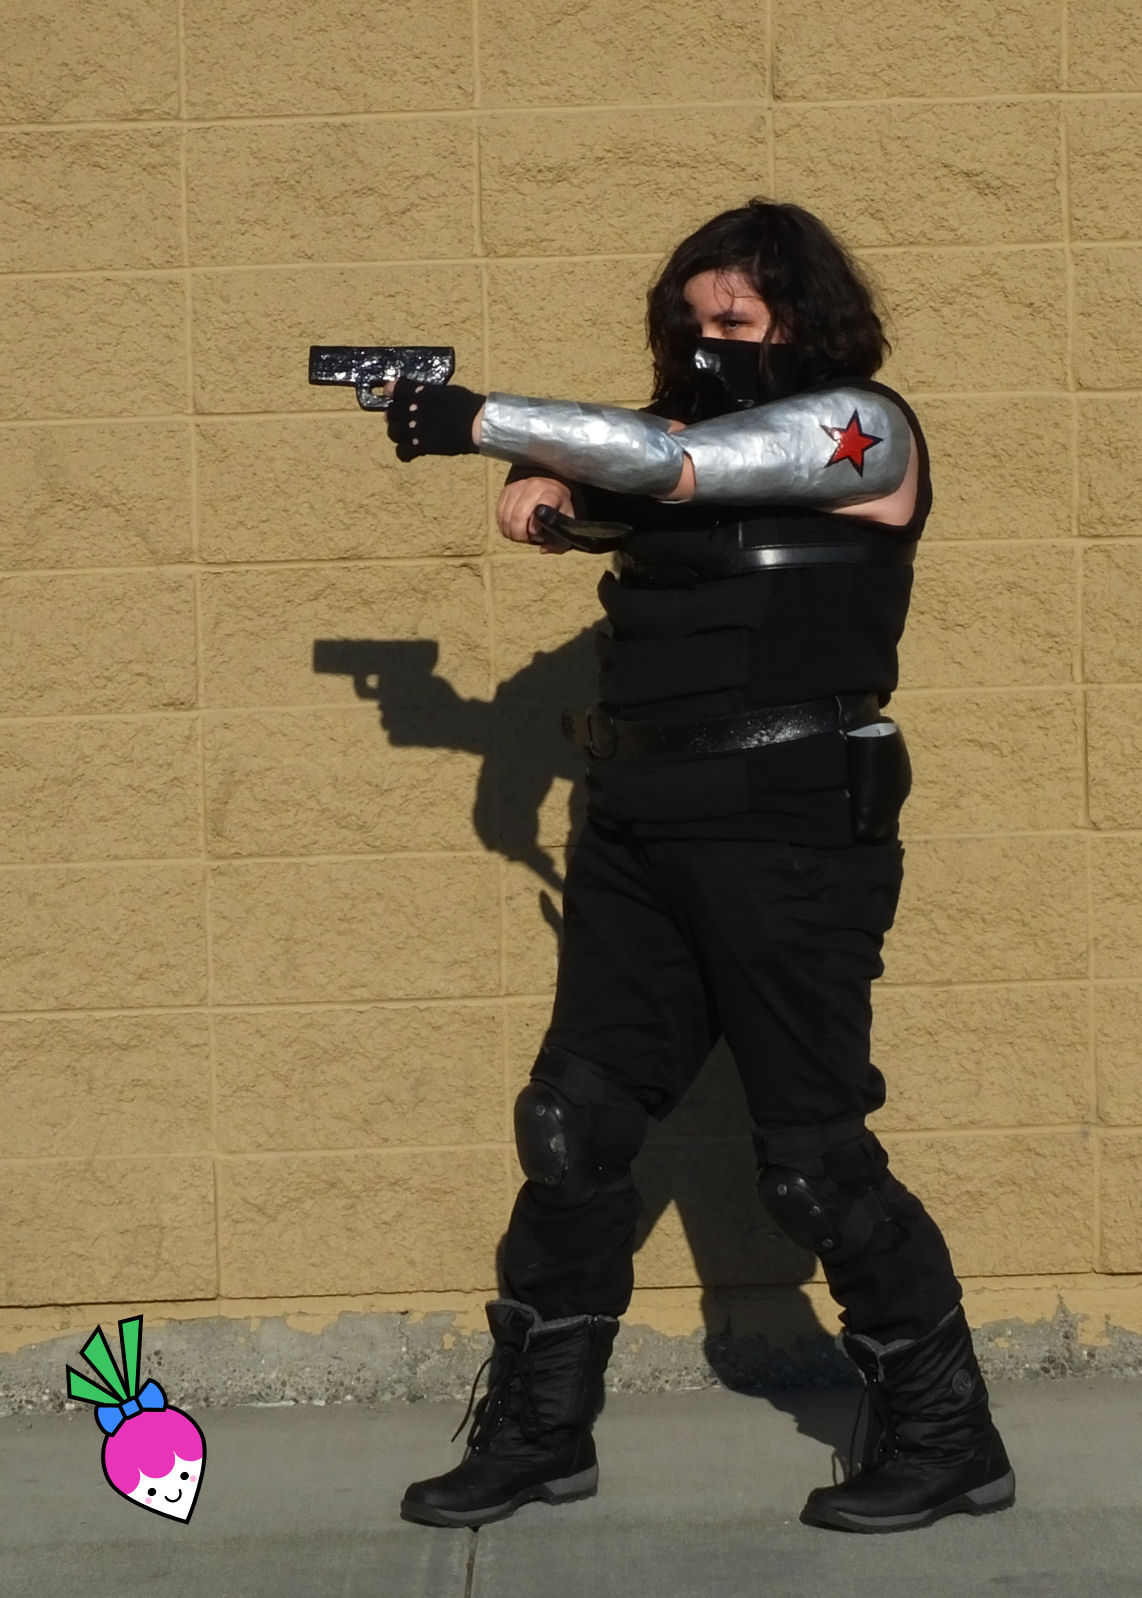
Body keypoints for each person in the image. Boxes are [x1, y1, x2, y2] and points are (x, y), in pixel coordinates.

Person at [380, 199, 1015, 1535]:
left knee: (813, 1160)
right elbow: (632, 469)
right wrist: (554, 487)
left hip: (789, 830)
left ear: (805, 320)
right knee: (572, 1128)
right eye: (692, 321)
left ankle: (949, 1440)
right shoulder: (673, 450)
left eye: (737, 318)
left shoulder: (862, 428)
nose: (710, 339)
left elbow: (682, 465)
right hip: (635, 831)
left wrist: (483, 421)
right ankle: (538, 1434)